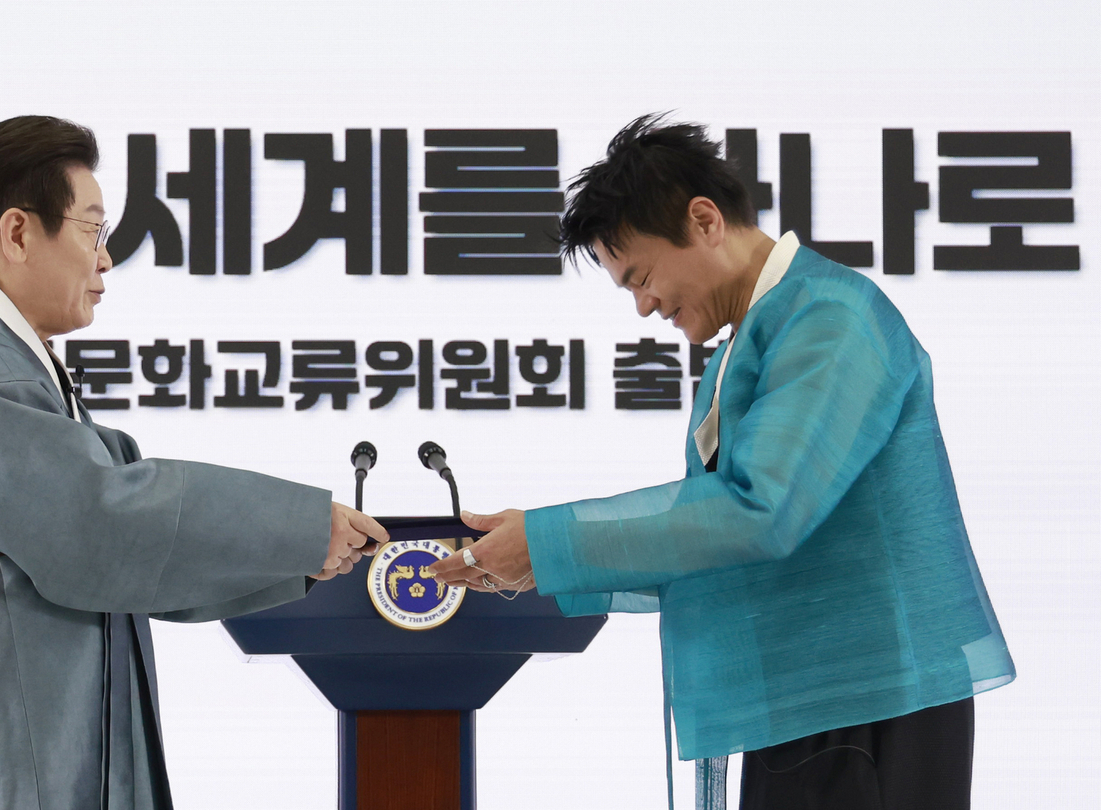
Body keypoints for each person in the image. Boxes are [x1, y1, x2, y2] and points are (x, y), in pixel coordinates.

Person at [430, 114, 1014, 810]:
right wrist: (531, 559)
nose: (644, 306)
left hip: (867, 704)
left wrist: (552, 543)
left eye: (639, 277)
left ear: (703, 220)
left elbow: (756, 513)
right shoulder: (758, 335)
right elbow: (708, 542)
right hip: (815, 701)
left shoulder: (830, 317)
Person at [0, 115, 388, 810]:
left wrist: (297, 553)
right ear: (18, 233)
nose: (106, 260)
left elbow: (125, 537)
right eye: (91, 231)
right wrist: (298, 528)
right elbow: (101, 523)